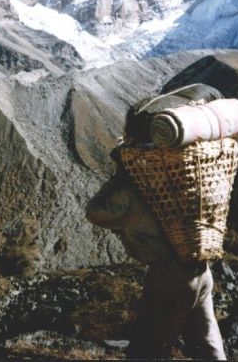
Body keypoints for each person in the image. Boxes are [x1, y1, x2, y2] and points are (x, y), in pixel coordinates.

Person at [86, 83, 227, 360]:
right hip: (201, 270)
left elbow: (95, 211)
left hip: (167, 277)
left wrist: (123, 171)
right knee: (208, 345)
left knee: (145, 349)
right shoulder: (188, 177)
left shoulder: (137, 192)